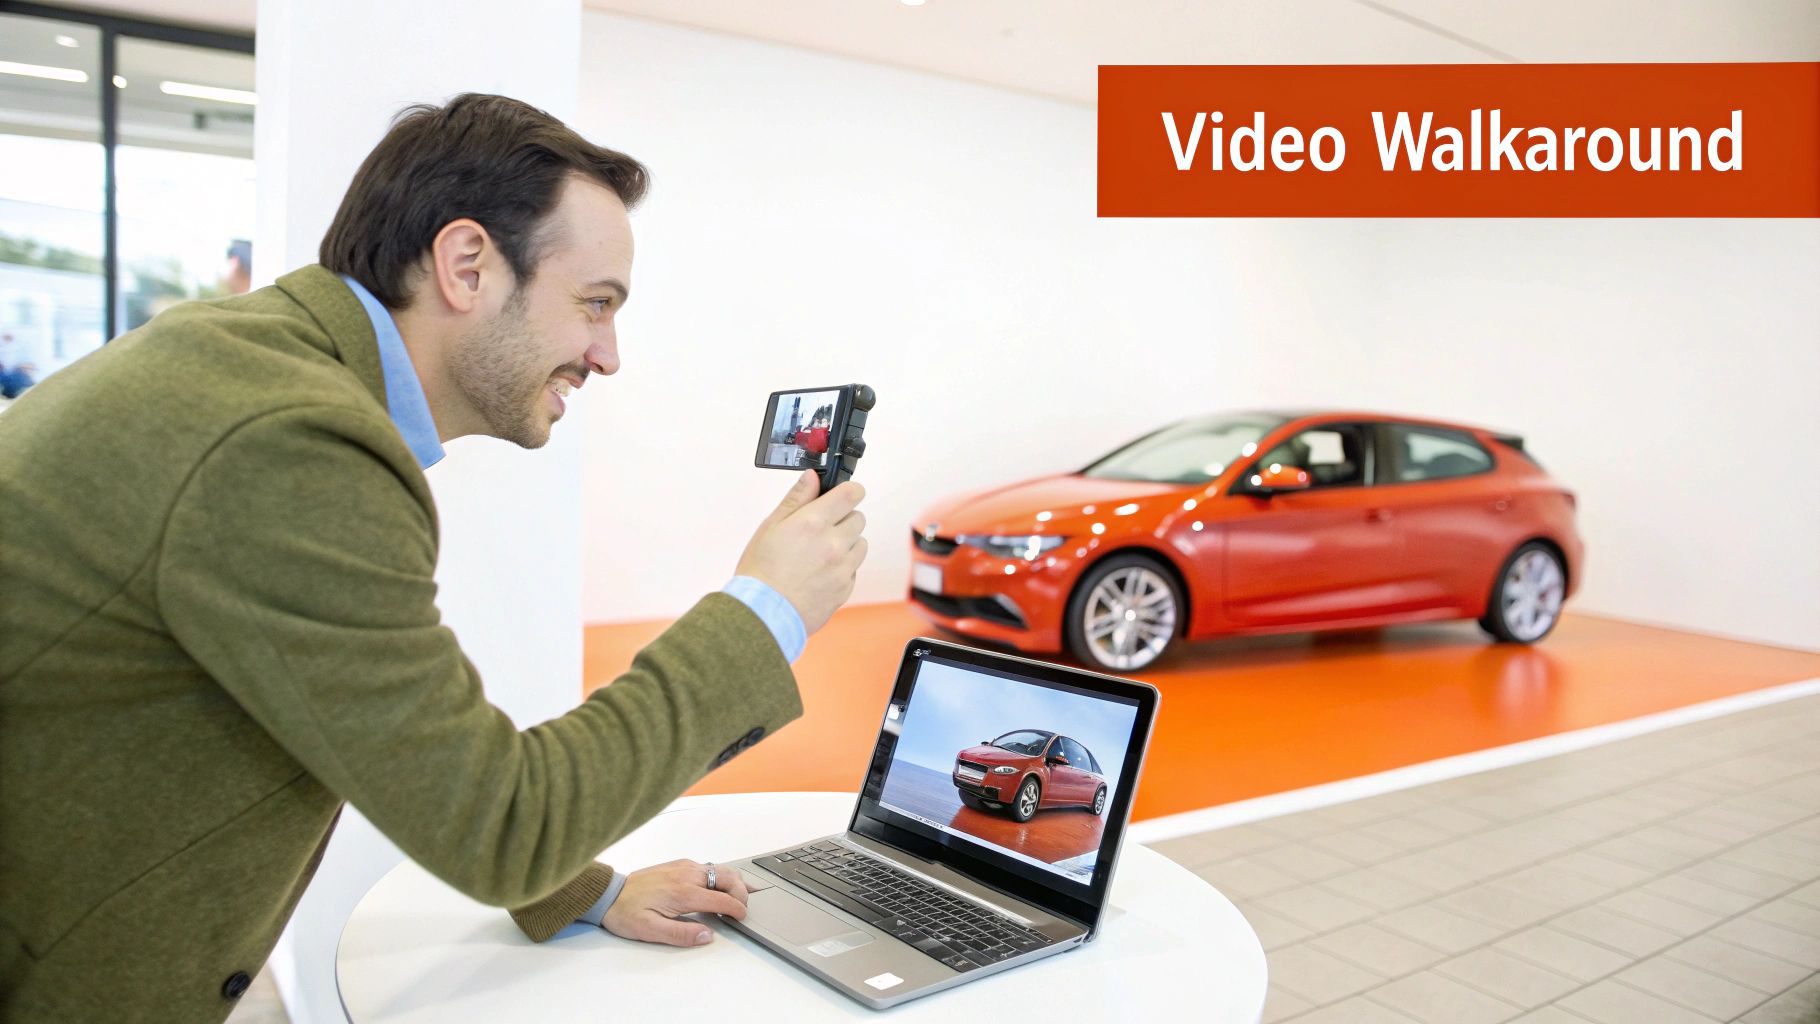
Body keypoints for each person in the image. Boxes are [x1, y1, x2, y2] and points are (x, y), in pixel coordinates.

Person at [0, 94, 868, 1022]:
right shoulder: (287, 443)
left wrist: (590, 890)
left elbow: (392, 734)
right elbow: (498, 824)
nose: (608, 355)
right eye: (595, 304)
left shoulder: (252, 371)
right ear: (466, 266)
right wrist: (766, 609)